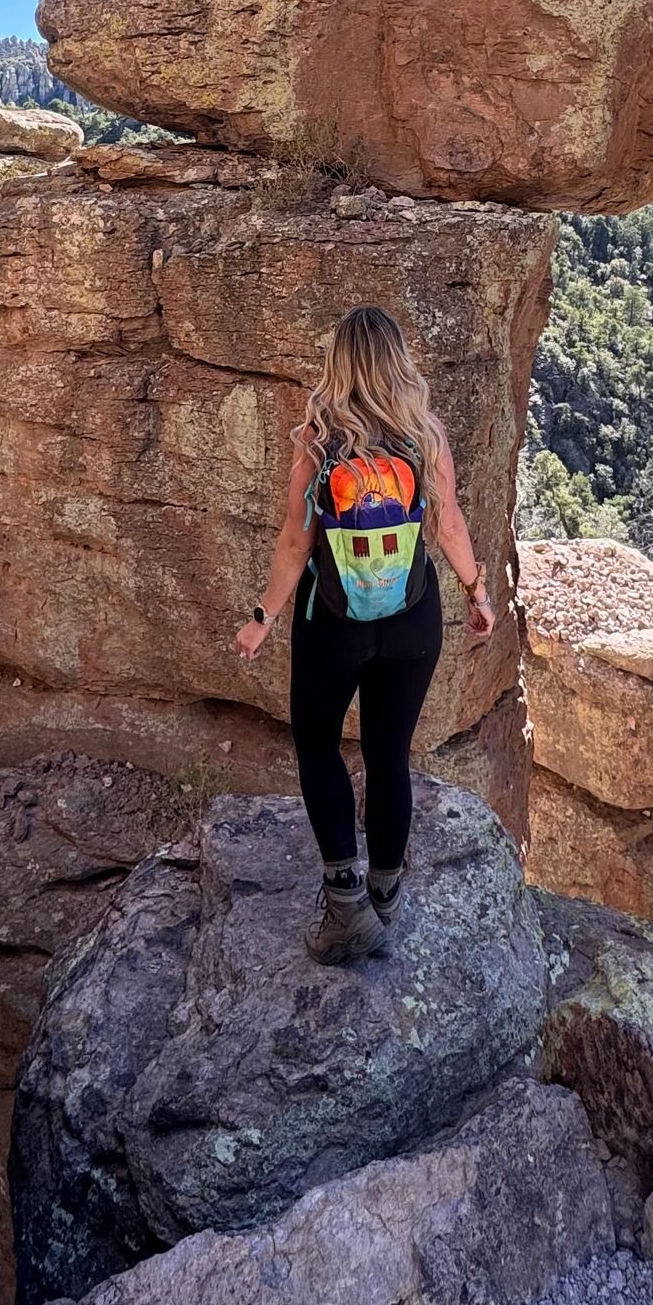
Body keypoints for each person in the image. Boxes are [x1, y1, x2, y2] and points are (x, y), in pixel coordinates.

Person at [236, 305, 497, 961]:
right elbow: (451, 527)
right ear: (397, 365)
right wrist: (479, 593)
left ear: (339, 367)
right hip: (412, 622)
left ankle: (346, 904)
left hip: (336, 625)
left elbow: (296, 542)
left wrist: (263, 617)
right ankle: (385, 895)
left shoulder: (319, 442)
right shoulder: (424, 436)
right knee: (388, 755)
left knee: (319, 745)